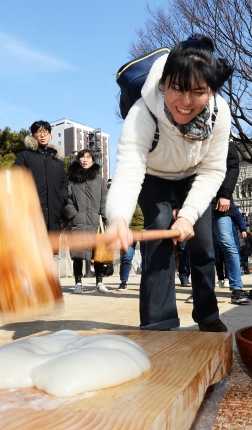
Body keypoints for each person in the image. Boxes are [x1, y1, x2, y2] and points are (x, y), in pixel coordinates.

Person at [106, 34, 233, 332]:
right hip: (153, 176)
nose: (186, 102)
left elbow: (214, 170)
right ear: (164, 83)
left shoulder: (219, 112)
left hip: (193, 176)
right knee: (160, 235)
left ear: (211, 91)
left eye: (198, 92)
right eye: (177, 89)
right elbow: (128, 170)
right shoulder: (142, 113)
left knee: (202, 242)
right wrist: (119, 217)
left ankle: (207, 313)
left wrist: (188, 215)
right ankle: (158, 322)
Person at [64, 149, 108, 293]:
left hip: (97, 221)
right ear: (78, 160)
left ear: (93, 161)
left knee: (99, 252)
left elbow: (104, 200)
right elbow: (67, 200)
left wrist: (105, 216)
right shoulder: (71, 180)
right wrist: (73, 215)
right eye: (82, 157)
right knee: (78, 253)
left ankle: (99, 282)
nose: (85, 160)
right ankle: (78, 283)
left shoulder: (99, 180)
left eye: (88, 157)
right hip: (79, 221)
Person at [212, 141, 249, 304]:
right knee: (200, 247)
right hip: (197, 200)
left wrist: (226, 194)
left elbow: (233, 166)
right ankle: (202, 290)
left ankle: (236, 288)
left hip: (221, 201)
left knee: (228, 244)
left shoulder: (226, 142)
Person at [14, 120, 68, 232]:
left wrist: (61, 199)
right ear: (33, 135)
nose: (42, 135)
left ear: (50, 135)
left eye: (46, 132)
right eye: (39, 132)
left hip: (54, 213)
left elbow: (64, 183)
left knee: (52, 248)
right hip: (32, 212)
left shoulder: (57, 161)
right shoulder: (25, 156)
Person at [117, 203, 144, 291]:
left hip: (144, 228)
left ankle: (146, 282)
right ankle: (123, 282)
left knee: (147, 256)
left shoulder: (147, 192)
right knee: (127, 256)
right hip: (128, 229)